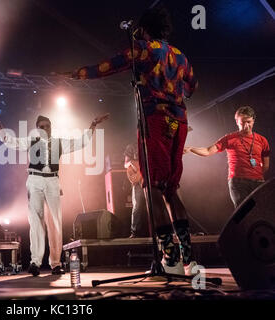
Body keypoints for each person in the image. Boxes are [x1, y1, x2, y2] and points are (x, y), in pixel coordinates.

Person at [69, 6, 198, 275]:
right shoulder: (181, 55)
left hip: (157, 119)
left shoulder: (144, 49)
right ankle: (189, 259)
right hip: (178, 120)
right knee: (171, 188)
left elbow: (108, 66)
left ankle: (170, 259)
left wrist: (78, 73)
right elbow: (192, 87)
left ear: (144, 28)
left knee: (152, 188)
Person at [0, 110, 109, 276]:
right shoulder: (31, 141)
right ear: (37, 128)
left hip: (52, 181)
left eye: (47, 126)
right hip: (35, 180)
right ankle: (35, 262)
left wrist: (93, 124)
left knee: (55, 222)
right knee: (35, 221)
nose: (45, 129)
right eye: (41, 126)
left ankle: (56, 263)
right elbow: (10, 141)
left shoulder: (59, 142)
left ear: (51, 127)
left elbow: (81, 142)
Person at [185, 106, 270, 208]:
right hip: (238, 183)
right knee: (243, 215)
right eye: (242, 122)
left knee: (263, 211)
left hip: (258, 182)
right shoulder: (229, 139)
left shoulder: (262, 140)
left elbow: (266, 165)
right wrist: (190, 149)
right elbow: (208, 151)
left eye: (249, 122)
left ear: (253, 120)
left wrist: (256, 174)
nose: (246, 125)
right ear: (237, 122)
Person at [124, 143, 147, 238]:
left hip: (151, 180)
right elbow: (126, 163)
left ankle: (163, 231)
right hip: (139, 182)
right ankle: (135, 232)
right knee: (137, 206)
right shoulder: (131, 146)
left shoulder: (151, 142)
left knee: (156, 206)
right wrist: (139, 170)